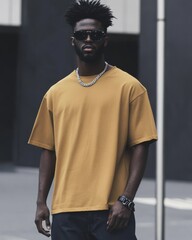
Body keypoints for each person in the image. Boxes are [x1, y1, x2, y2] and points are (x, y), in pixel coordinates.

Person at [28, 0, 157, 239]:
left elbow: (141, 145)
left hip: (112, 212)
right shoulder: (55, 94)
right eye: (82, 34)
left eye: (95, 34)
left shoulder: (130, 88)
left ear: (105, 40)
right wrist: (40, 202)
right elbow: (48, 150)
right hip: (66, 211)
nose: (88, 39)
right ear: (73, 40)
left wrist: (126, 200)